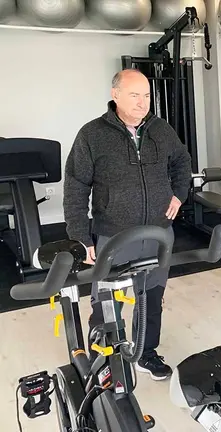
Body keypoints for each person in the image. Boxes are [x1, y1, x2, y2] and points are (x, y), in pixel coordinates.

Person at [63, 69, 192, 380]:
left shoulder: (160, 129)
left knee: (152, 295)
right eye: (134, 95)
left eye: (146, 95)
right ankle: (103, 356)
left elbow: (182, 160)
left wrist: (179, 193)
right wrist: (81, 236)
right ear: (115, 95)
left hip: (159, 231)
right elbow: (76, 186)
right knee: (105, 298)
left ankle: (146, 353)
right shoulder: (92, 135)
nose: (142, 102)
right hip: (114, 233)